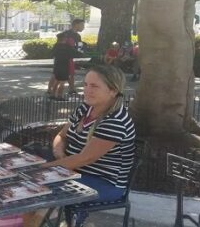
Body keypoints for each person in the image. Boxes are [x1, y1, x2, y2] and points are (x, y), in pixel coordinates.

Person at [26, 65, 136, 227]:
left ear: (112, 91)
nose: (87, 90)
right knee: (27, 184)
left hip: (103, 182)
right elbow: (60, 136)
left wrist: (45, 168)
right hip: (73, 171)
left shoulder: (115, 121)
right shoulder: (85, 108)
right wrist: (59, 152)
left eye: (94, 86)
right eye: (85, 84)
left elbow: (84, 159)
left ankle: (55, 220)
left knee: (33, 189)